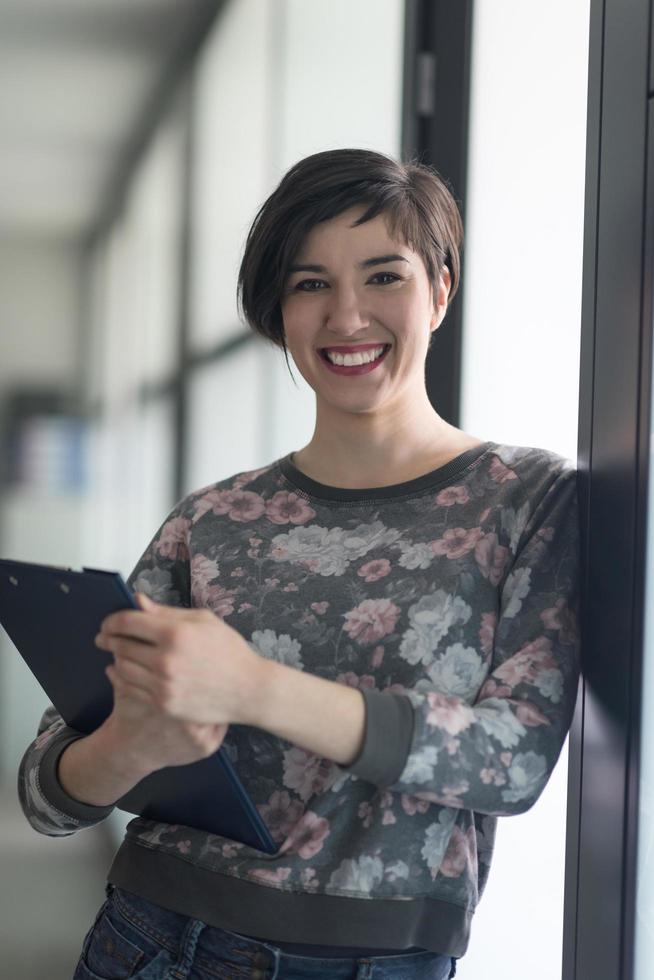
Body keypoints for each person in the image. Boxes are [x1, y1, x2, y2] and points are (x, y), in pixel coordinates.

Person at [18, 148, 581, 980]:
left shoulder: (527, 498)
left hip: (374, 961)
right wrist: (132, 746)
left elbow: (512, 758)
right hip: (148, 940)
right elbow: (45, 791)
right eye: (310, 284)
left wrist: (256, 690)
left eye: (384, 277)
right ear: (277, 311)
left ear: (441, 289)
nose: (347, 316)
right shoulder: (213, 519)